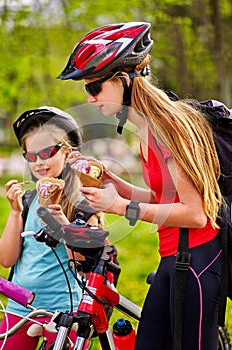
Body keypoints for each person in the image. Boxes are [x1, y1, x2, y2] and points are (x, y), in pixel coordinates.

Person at [58, 22, 223, 349]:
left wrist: (120, 207)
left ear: (122, 81)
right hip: (172, 259)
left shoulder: (168, 126)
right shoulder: (147, 130)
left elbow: (195, 214)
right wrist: (115, 184)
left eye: (94, 88)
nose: (90, 99)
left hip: (196, 264)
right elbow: (167, 198)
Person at [0, 106, 101, 350]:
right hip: (20, 306)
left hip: (65, 312)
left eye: (46, 153)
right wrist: (15, 212)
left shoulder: (82, 204)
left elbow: (87, 260)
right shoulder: (27, 201)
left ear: (67, 153)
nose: (38, 163)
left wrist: (60, 224)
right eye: (30, 156)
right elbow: (6, 259)